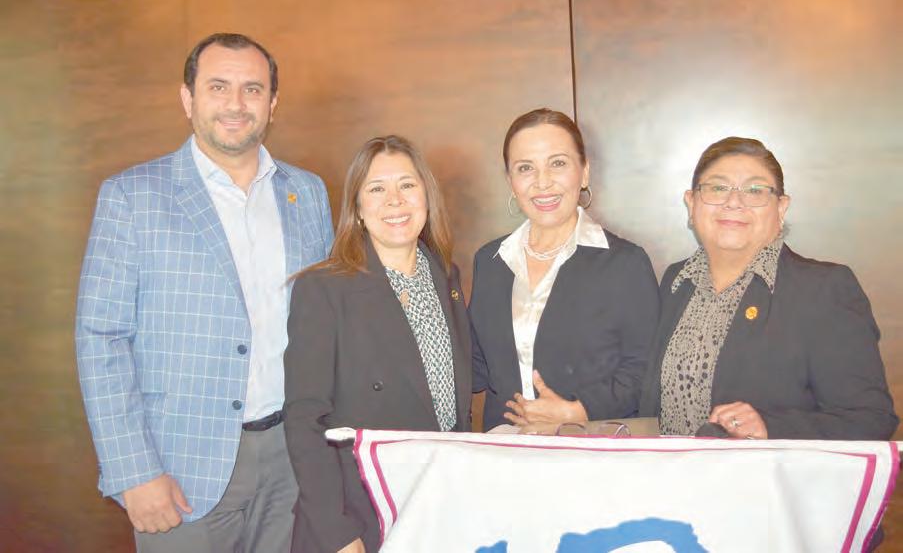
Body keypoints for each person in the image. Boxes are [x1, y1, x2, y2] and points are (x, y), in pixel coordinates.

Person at [75, 33, 333, 552]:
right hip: (181, 471)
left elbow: (330, 321)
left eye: (252, 89)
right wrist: (133, 470)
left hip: (294, 460)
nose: (236, 104)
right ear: (187, 98)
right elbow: (101, 337)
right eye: (218, 87)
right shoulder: (132, 196)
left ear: (272, 103)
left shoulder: (307, 192)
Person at [283, 135, 472, 553]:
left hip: (431, 507)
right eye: (377, 189)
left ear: (426, 196)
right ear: (358, 209)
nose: (394, 200)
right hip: (356, 515)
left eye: (407, 185)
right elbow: (305, 420)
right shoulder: (323, 288)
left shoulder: (446, 277)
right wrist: (338, 532)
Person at [639, 136, 897, 440]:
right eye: (718, 188)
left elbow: (870, 419)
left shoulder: (823, 289)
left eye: (755, 191)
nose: (733, 202)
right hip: (668, 468)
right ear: (691, 203)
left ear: (781, 207)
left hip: (768, 471)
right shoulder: (677, 281)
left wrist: (770, 428)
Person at [470, 108, 659, 431]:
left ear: (584, 173)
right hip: (504, 450)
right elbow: (474, 365)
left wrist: (577, 412)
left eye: (557, 163)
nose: (542, 182)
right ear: (511, 182)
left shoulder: (625, 264)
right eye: (525, 168)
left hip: (588, 449)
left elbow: (647, 370)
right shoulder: (490, 261)